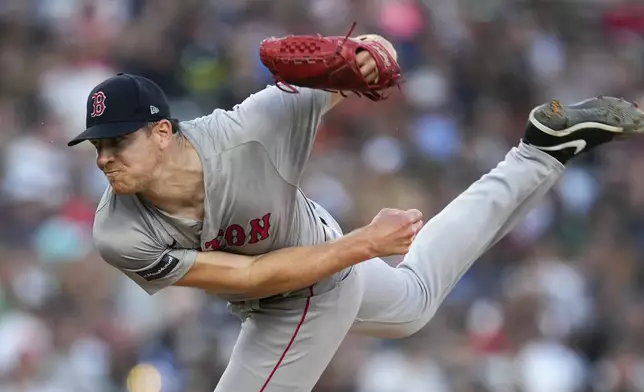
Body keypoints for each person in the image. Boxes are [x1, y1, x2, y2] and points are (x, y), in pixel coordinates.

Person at [68, 43, 644, 391]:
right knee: (414, 302)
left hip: (310, 282)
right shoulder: (118, 231)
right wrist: (366, 243)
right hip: (289, 275)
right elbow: (246, 278)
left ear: (163, 132)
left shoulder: (252, 127)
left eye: (118, 141)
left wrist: (367, 54)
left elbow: (372, 60)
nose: (105, 157)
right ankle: (539, 153)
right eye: (97, 146)